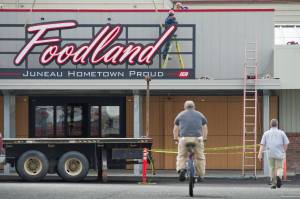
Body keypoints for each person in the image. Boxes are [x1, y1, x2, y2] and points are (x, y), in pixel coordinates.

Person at [173, 100, 208, 182]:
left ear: (185, 107)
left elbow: (175, 128)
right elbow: (205, 127)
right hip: (197, 138)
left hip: (184, 139)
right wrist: (204, 138)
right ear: (194, 107)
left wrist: (175, 138)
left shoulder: (180, 114)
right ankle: (200, 175)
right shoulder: (200, 114)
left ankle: (182, 170)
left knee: (182, 156)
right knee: (200, 157)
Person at [258, 119, 289, 189]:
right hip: (279, 153)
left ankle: (273, 184)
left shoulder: (266, 133)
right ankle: (279, 176)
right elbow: (286, 143)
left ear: (270, 125)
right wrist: (284, 151)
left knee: (272, 168)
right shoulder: (281, 133)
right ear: (277, 125)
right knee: (279, 168)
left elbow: (262, 144)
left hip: (270, 153)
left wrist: (259, 154)